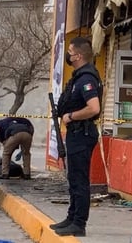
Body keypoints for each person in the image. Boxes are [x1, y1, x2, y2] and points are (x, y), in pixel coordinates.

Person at [49, 37, 103, 237]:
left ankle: (79, 223)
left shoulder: (87, 79)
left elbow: (93, 108)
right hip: (76, 133)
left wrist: (70, 116)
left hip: (82, 133)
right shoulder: (79, 77)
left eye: (70, 52)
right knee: (73, 178)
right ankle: (72, 217)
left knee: (79, 180)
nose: (68, 56)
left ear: (78, 56)